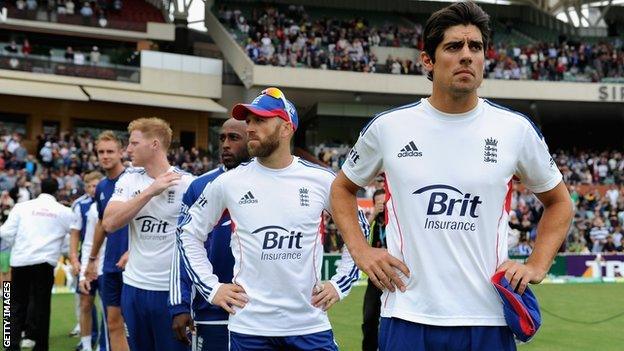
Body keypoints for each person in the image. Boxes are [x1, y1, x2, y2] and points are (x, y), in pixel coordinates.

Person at [330, 2, 573, 351]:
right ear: (427, 60)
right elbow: (341, 187)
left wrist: (536, 264)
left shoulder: (514, 130)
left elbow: (559, 202)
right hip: (408, 314)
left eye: (475, 47)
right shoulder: (389, 128)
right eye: (453, 47)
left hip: (487, 318)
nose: (466, 56)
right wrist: (362, 251)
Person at [178, 87, 368, 351]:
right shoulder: (229, 182)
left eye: (260, 120)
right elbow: (188, 233)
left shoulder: (322, 180)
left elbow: (359, 228)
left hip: (309, 326)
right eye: (249, 121)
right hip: (250, 329)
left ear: (286, 128)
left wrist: (339, 284)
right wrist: (211, 288)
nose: (250, 128)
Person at [102, 118, 193, 351]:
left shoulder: (188, 184)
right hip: (134, 288)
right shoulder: (130, 179)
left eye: (133, 143)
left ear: (154, 144)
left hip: (170, 293)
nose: (128, 149)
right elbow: (109, 223)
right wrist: (150, 192)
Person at [169, 118, 250, 351]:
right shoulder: (199, 186)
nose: (225, 144)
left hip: (260, 313)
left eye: (234, 138)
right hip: (211, 309)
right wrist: (179, 305)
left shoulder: (270, 183)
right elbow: (182, 248)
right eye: (222, 138)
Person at [1, 178, 78, 351]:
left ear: (39, 189)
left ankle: (10, 344)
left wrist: (19, 243)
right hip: (44, 262)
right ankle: (41, 346)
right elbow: (73, 234)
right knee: (42, 306)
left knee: (13, 304)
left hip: (20, 260)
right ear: (57, 191)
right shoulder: (63, 211)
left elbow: (5, 232)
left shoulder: (22, 207)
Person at [85, 130, 129, 351]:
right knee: (113, 323)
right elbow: (102, 224)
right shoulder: (101, 186)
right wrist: (92, 259)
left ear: (121, 152)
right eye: (101, 152)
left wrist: (133, 251)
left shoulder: (133, 179)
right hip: (110, 264)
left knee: (133, 325)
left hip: (134, 265)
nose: (105, 156)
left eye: (110, 151)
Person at [69, 171, 106, 351]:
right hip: (87, 259)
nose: (93, 189)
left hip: (107, 261)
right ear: (85, 187)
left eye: (96, 185)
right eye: (90, 186)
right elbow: (75, 234)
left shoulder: (112, 199)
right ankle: (86, 344)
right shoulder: (80, 205)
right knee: (85, 303)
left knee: (108, 306)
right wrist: (74, 259)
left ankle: (104, 343)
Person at [361, 188, 386, 351]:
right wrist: (373, 215)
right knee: (369, 318)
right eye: (378, 204)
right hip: (375, 278)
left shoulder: (396, 223)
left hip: (394, 279)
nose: (382, 206)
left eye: (384, 203)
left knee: (390, 320)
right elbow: (358, 234)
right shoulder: (373, 222)